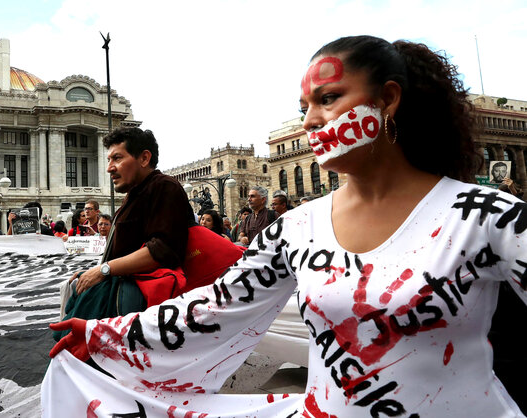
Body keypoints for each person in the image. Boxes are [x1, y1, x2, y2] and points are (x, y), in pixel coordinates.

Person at [46, 36, 524, 417]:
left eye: (330, 98)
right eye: (304, 108)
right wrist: (102, 334)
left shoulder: (486, 215)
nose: (312, 121)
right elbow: (216, 308)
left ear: (388, 100)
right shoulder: (297, 228)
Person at [65, 127, 195, 312]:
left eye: (117, 158)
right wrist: (95, 272)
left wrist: (105, 270)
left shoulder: (164, 187)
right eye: (109, 159)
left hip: (139, 306)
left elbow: (163, 249)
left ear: (144, 158)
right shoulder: (134, 194)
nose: (109, 167)